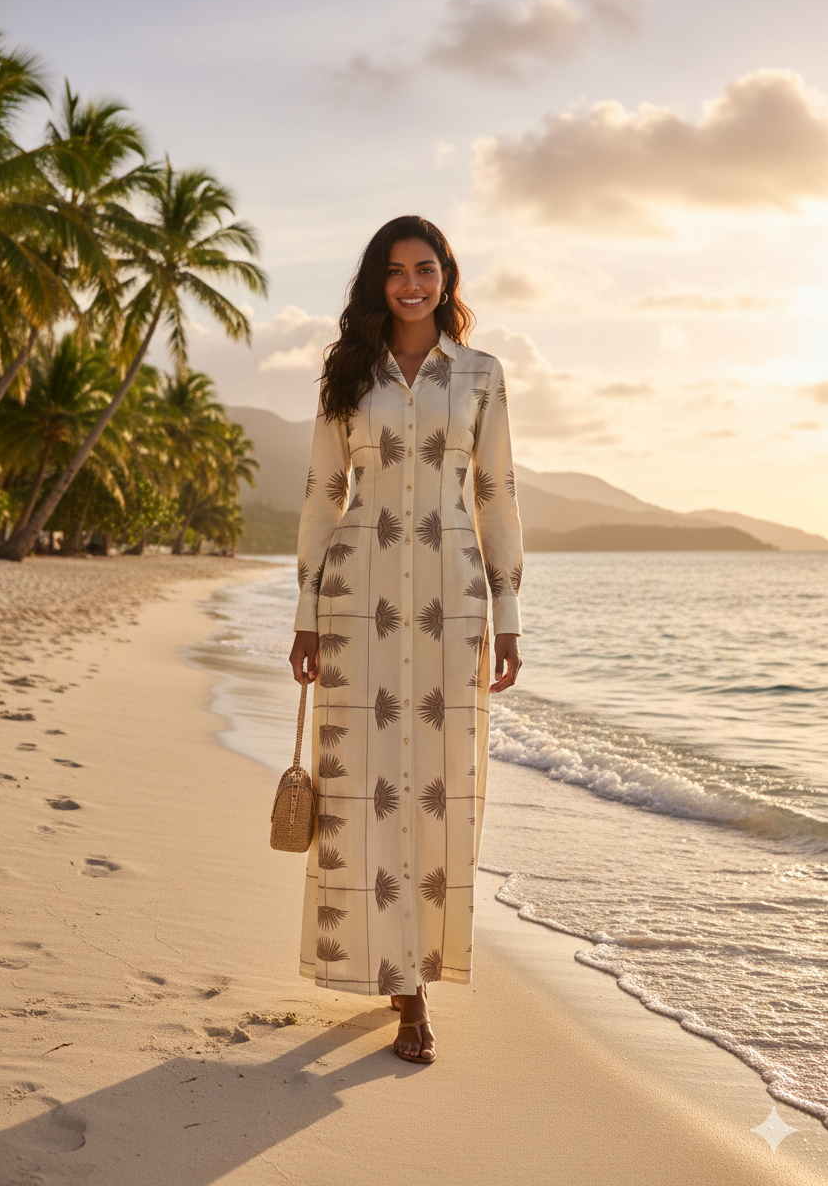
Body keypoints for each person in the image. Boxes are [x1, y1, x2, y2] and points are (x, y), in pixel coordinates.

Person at [289, 214, 523, 1064]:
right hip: (358, 600)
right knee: (362, 789)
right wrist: (307, 613)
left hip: (453, 604)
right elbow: (322, 497)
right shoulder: (347, 376)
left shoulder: (484, 377)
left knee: (436, 790)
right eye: (394, 271)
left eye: (425, 268)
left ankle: (417, 966)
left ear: (447, 276)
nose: (411, 284)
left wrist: (510, 616)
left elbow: (496, 498)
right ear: (376, 282)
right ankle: (402, 989)